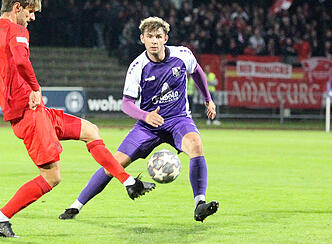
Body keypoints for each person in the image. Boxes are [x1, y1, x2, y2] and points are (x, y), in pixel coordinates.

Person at [0, 0, 155, 238]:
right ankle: (0, 217)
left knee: (91, 131)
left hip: (34, 113)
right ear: (17, 7)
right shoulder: (16, 30)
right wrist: (35, 87)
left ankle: (129, 183)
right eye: (30, 11)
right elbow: (20, 59)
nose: (33, 17)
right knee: (52, 178)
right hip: (29, 113)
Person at [58, 16, 219, 222]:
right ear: (142, 39)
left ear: (165, 38)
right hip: (148, 126)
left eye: (158, 37)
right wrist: (146, 116)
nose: (154, 41)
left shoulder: (182, 54)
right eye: (150, 36)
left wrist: (208, 99)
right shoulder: (137, 67)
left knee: (196, 145)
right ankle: (75, 206)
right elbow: (126, 104)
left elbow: (197, 72)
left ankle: (200, 204)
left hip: (178, 119)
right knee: (113, 165)